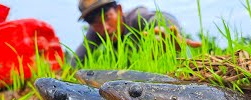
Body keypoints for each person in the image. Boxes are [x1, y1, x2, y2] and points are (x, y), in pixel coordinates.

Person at [71, 0, 201, 67]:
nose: (104, 27)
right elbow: (76, 60)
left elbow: (160, 18)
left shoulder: (136, 17)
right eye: (96, 23)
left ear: (119, 10)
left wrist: (168, 31)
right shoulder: (95, 33)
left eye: (107, 17)